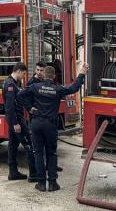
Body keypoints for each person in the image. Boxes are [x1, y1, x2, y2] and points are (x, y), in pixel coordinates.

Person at [18, 62, 88, 192]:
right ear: (54, 76)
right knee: (51, 153)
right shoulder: (58, 89)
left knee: (38, 153)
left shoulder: (34, 86)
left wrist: (30, 109)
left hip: (36, 123)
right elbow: (74, 88)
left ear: (44, 74)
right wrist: (82, 74)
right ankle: (52, 183)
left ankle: (41, 184)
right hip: (50, 125)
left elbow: (19, 95)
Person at [2, 62, 36, 181]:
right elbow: (10, 107)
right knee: (28, 144)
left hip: (14, 119)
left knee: (12, 145)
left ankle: (13, 172)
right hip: (16, 120)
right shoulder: (10, 85)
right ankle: (34, 174)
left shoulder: (13, 83)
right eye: (23, 74)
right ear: (19, 71)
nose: (24, 76)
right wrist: (15, 123)